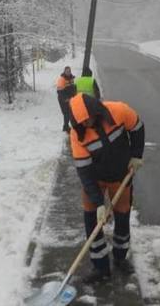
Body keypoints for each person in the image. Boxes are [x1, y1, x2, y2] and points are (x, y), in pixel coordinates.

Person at [67, 92, 145, 283]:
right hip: (95, 178)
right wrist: (98, 202)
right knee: (91, 218)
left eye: (89, 119)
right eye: (82, 122)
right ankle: (100, 266)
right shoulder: (78, 135)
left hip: (121, 175)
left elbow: (137, 127)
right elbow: (84, 172)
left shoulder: (118, 110)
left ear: (96, 110)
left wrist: (136, 155)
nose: (86, 124)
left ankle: (120, 257)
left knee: (122, 215)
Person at [56, 66, 77, 132]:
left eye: (69, 71)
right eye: (67, 71)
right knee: (66, 113)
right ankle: (65, 127)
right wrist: (65, 99)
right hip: (63, 99)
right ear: (64, 71)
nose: (68, 72)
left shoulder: (71, 78)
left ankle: (68, 126)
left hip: (71, 99)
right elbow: (59, 91)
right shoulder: (61, 79)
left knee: (71, 113)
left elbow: (73, 88)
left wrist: (74, 96)